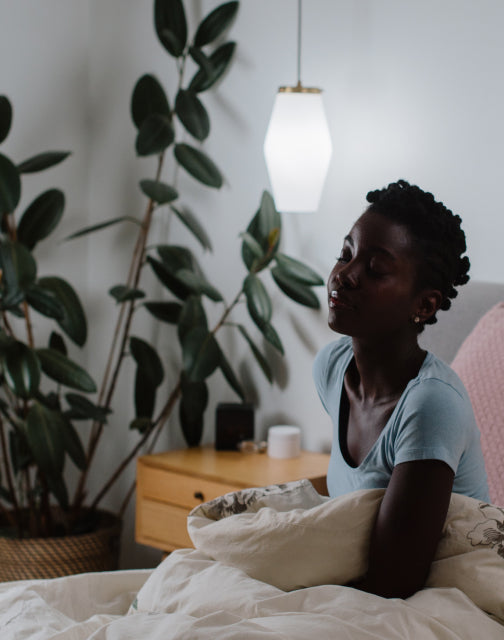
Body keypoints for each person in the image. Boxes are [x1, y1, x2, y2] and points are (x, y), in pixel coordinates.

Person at [313, 179, 489, 599]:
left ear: (423, 306)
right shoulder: (332, 368)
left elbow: (394, 584)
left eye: (375, 269)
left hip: (442, 602)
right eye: (345, 254)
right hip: (359, 588)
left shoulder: (430, 406)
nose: (346, 275)